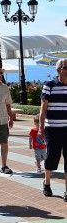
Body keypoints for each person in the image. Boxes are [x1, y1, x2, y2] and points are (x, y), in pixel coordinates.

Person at [38, 59, 67, 201]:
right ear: (58, 70)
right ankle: (47, 182)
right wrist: (40, 129)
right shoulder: (49, 85)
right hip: (53, 129)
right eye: (66, 67)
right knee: (51, 156)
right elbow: (43, 110)